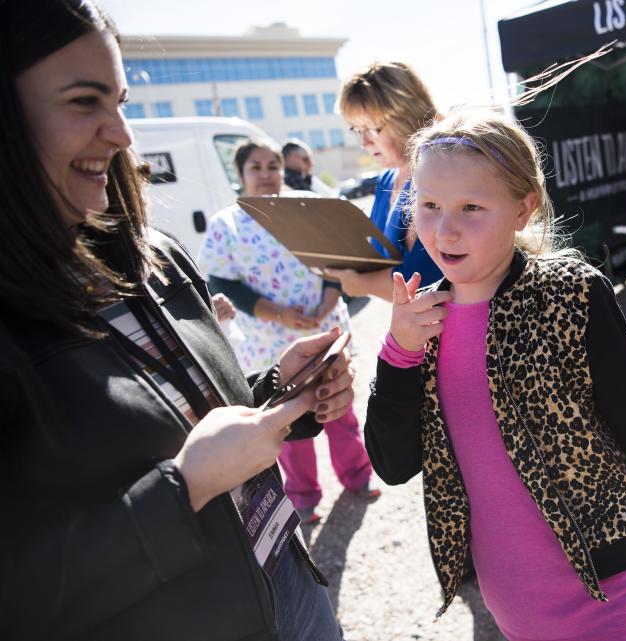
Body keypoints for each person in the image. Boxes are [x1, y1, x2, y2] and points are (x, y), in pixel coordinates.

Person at [0, 2, 357, 639]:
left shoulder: (153, 254)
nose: (122, 135)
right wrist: (183, 489)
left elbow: (186, 425)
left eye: (120, 101)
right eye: (85, 102)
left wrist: (275, 395)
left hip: (290, 584)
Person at [364, 108, 626, 641]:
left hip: (616, 597)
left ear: (522, 208)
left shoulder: (572, 294)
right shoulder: (422, 321)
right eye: (429, 205)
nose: (446, 227)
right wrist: (399, 353)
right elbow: (393, 465)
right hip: (513, 607)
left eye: (471, 207)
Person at [198, 139, 378, 524]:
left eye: (273, 166)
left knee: (338, 407)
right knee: (289, 423)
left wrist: (326, 304)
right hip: (270, 343)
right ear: (241, 175)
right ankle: (303, 494)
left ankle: (357, 477)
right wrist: (279, 314)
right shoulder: (228, 223)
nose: (266, 175)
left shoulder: (308, 209)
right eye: (256, 168)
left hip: (324, 329)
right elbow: (224, 283)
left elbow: (337, 263)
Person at [324, 60, 443, 300]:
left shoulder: (440, 174)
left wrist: (361, 283)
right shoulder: (387, 180)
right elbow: (375, 258)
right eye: (357, 130)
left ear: (406, 116)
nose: (364, 143)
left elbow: (422, 281)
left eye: (371, 129)